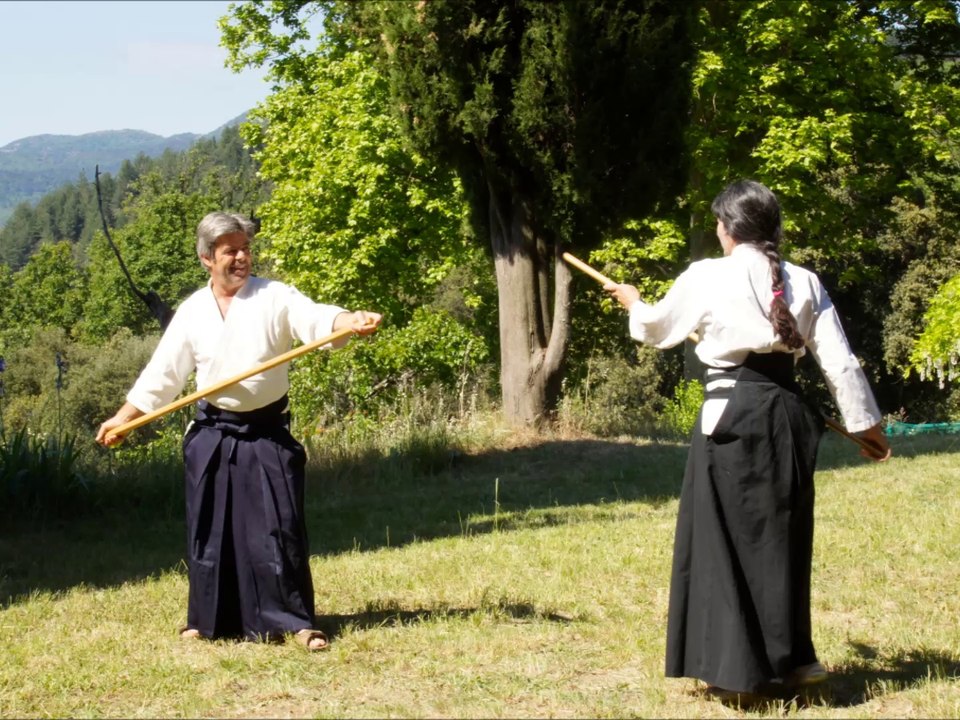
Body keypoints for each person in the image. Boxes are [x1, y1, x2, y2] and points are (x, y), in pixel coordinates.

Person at [604, 180, 891, 702]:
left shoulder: (707, 274)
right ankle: (797, 662)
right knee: (782, 538)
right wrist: (866, 428)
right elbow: (840, 362)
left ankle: (740, 672)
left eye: (719, 222)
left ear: (728, 228)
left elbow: (655, 330)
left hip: (732, 418)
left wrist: (634, 301)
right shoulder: (805, 280)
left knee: (725, 543)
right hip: (788, 417)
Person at [96, 211, 381, 651]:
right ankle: (209, 621)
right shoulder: (193, 311)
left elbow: (314, 317)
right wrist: (124, 418)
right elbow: (163, 374)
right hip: (213, 432)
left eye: (246, 248)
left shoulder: (274, 296)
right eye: (230, 251)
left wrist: (348, 320)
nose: (242, 257)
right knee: (211, 531)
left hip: (267, 433)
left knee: (279, 529)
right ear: (206, 259)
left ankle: (296, 622)